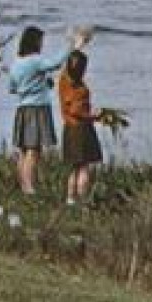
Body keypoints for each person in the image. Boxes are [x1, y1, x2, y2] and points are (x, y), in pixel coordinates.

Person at [8, 25, 84, 196]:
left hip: (22, 108)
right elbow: (55, 64)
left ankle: (24, 185)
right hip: (37, 108)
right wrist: (71, 45)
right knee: (34, 151)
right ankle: (29, 189)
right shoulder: (35, 61)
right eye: (41, 41)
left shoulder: (16, 63)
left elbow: (12, 88)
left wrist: (36, 85)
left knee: (23, 150)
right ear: (35, 43)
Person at [57, 50, 104, 207]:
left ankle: (70, 198)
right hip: (81, 130)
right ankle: (82, 200)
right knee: (84, 167)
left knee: (74, 167)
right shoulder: (81, 90)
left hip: (68, 128)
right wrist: (94, 116)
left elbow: (65, 71)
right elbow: (77, 111)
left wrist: (77, 45)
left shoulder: (64, 82)